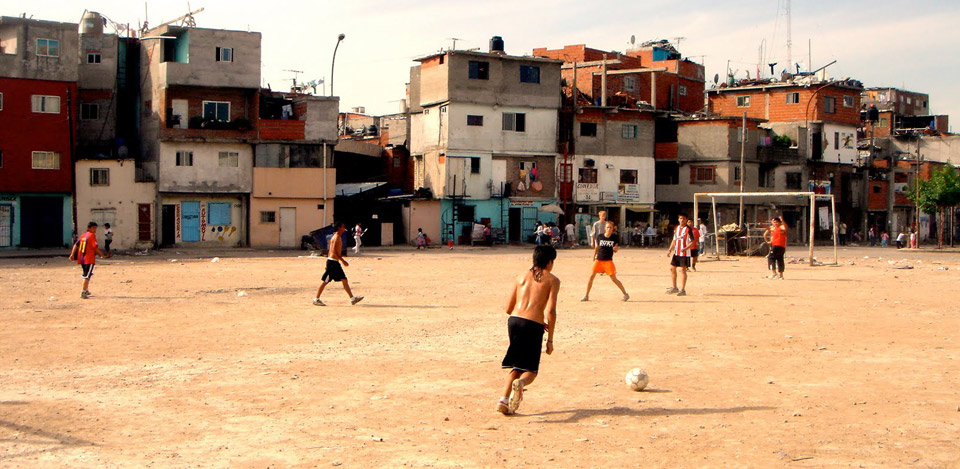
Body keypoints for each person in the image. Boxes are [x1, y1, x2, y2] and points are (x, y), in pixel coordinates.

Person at [498, 245, 560, 415]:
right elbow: (551, 311)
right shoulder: (552, 280)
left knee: (517, 365)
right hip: (533, 325)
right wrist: (550, 339)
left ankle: (503, 401)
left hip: (514, 321)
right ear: (549, 262)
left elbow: (508, 308)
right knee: (531, 370)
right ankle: (521, 385)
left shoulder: (521, 277)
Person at [313, 222, 363, 306]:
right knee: (325, 281)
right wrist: (343, 261)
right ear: (339, 228)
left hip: (333, 262)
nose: (344, 228)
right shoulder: (336, 238)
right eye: (343, 226)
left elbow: (330, 251)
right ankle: (316, 299)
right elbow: (335, 252)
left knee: (344, 280)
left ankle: (352, 298)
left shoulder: (336, 236)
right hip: (333, 263)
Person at [582, 221, 629, 302]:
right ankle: (586, 295)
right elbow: (597, 247)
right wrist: (594, 256)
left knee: (614, 279)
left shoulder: (614, 237)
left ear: (612, 229)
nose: (608, 229)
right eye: (607, 227)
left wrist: (616, 249)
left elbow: (616, 249)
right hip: (599, 259)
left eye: (610, 227)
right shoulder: (600, 236)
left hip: (608, 261)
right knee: (591, 277)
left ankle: (625, 294)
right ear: (605, 228)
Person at [69, 222, 104, 299]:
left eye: (95, 228)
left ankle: (86, 289)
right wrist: (101, 254)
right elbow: (95, 247)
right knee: (87, 276)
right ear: (89, 228)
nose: (95, 230)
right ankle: (83, 291)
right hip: (89, 259)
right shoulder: (92, 236)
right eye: (93, 228)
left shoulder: (83, 236)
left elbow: (76, 245)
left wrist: (72, 254)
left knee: (86, 274)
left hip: (82, 259)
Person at [665, 213, 693, 296]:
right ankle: (674, 287)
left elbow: (692, 241)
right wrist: (670, 249)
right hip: (677, 252)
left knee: (683, 270)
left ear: (686, 220)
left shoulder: (688, 229)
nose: (682, 220)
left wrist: (686, 248)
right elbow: (674, 240)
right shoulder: (676, 228)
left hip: (684, 253)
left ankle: (683, 289)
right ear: (678, 219)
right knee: (672, 268)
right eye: (680, 218)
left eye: (684, 219)